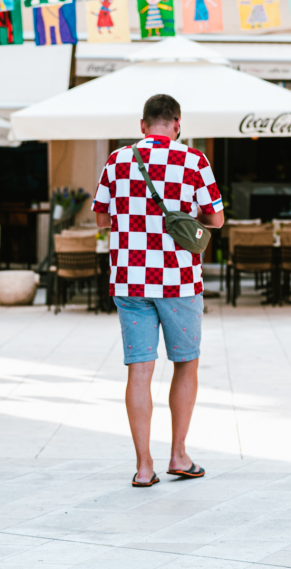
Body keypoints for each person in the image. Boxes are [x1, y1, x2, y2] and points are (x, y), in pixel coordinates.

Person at [93, 94, 225, 487]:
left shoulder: (117, 160)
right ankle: (179, 454)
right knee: (185, 363)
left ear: (142, 125)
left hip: (130, 278)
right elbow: (216, 219)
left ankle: (144, 466)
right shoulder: (194, 160)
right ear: (177, 124)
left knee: (139, 369)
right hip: (178, 280)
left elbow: (101, 218)